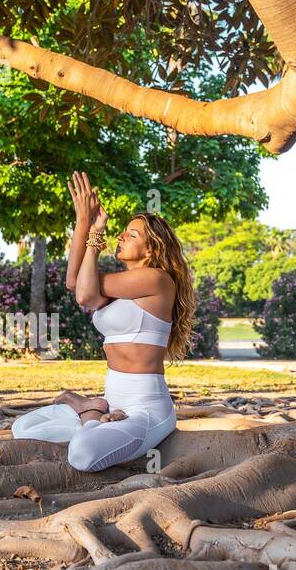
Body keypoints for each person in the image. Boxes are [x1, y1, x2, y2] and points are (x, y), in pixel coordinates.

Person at [11, 171, 196, 472]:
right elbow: (74, 282)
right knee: (24, 426)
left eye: (132, 234)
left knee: (82, 454)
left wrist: (96, 237)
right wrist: (85, 220)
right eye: (123, 231)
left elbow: (84, 295)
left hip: (145, 409)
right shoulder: (122, 285)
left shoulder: (157, 280)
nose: (121, 236)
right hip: (111, 400)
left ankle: (90, 417)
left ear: (151, 249)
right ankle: (94, 413)